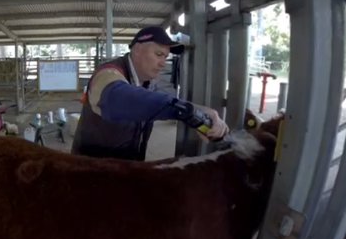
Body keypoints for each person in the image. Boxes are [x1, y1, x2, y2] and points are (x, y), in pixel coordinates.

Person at [71, 25, 229, 161]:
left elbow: (160, 101)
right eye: (159, 54)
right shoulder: (108, 73)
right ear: (138, 50)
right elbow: (120, 100)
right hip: (91, 173)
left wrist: (197, 115)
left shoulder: (148, 82)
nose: (163, 63)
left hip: (124, 169)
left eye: (166, 57)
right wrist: (187, 112)